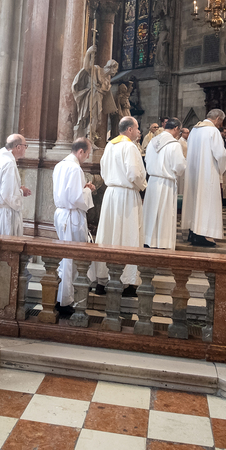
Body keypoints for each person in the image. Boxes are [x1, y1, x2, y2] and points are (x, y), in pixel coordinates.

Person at [90, 116, 146, 297]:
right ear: (129, 130)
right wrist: (142, 186)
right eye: (137, 128)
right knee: (128, 235)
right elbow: (134, 174)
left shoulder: (110, 145)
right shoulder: (130, 147)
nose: (138, 131)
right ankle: (127, 283)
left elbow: (104, 170)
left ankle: (102, 281)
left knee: (108, 235)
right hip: (127, 195)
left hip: (111, 194)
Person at [52, 137, 95, 319]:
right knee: (71, 259)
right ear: (80, 151)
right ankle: (65, 301)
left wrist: (82, 188)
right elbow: (77, 198)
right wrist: (88, 190)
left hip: (61, 213)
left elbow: (68, 191)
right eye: (87, 153)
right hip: (72, 216)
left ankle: (62, 297)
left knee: (65, 258)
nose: (87, 157)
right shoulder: (75, 168)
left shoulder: (60, 165)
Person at [183, 109, 226, 247]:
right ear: (218, 118)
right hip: (208, 172)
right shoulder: (213, 131)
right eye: (221, 121)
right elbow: (220, 154)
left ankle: (193, 232)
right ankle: (200, 234)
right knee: (206, 202)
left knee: (195, 201)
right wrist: (223, 165)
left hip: (194, 172)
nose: (221, 124)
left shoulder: (194, 130)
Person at [143, 119, 187, 250]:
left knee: (151, 212)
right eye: (179, 131)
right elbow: (179, 166)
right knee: (165, 213)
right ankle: (162, 242)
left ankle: (148, 239)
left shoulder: (152, 141)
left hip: (152, 181)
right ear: (176, 128)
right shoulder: (174, 144)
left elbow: (146, 160)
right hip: (166, 183)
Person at [0, 134, 32, 237]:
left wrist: (16, 189)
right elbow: (8, 196)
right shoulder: (9, 163)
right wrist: (22, 191)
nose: (25, 149)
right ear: (18, 147)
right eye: (25, 146)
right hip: (3, 216)